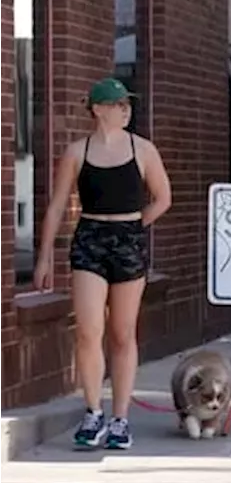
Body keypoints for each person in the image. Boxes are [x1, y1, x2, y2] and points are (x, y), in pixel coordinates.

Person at [33, 78, 172, 450]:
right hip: (90, 240)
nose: (125, 109)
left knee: (123, 333)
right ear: (97, 109)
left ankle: (121, 418)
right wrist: (45, 254)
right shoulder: (77, 152)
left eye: (127, 103)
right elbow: (59, 205)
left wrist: (134, 225)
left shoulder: (142, 149)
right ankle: (93, 410)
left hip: (127, 240)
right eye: (117, 103)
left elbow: (162, 198)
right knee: (88, 330)